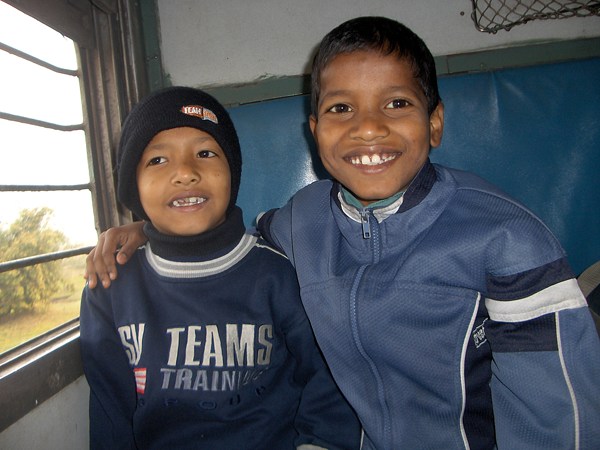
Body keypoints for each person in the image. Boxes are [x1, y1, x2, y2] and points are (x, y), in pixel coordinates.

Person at [84, 17, 600, 449]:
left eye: (396, 103)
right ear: (315, 131)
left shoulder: (507, 239)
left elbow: (560, 420)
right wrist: (146, 231)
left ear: (435, 123)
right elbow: (221, 236)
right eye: (341, 108)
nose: (368, 127)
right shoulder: (298, 222)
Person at [79, 86, 360, 450]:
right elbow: (110, 415)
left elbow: (328, 379)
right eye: (158, 160)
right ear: (134, 186)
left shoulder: (280, 274)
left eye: (205, 153)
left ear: (232, 173)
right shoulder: (110, 288)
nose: (185, 173)